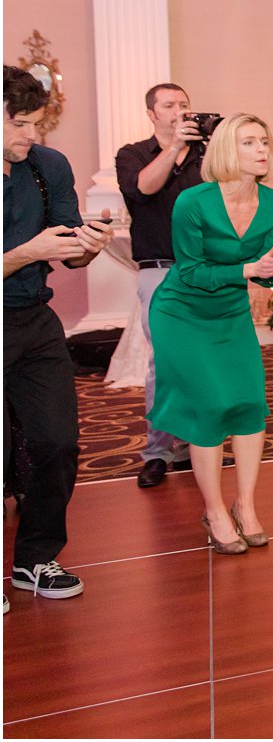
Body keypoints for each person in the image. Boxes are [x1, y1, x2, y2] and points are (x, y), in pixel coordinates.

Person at [147, 114, 273, 553]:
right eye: (249, 142)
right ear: (229, 149)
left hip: (229, 314)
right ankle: (213, 510)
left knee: (248, 404)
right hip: (182, 314)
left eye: (264, 141)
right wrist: (247, 269)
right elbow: (189, 271)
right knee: (207, 407)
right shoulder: (193, 201)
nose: (262, 149)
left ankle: (245, 505)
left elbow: (261, 272)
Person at [4, 65, 113, 601]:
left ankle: (36, 558)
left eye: (35, 124)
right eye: (20, 123)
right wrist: (28, 252)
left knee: (57, 441)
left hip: (34, 321)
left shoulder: (48, 167)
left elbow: (72, 252)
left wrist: (91, 243)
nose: (31, 135)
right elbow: (37, 250)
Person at [115, 82, 205, 487]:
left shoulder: (205, 155)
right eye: (169, 105)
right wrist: (173, 148)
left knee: (201, 360)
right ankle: (157, 450)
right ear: (152, 114)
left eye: (184, 104)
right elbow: (145, 188)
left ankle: (193, 444)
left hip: (204, 271)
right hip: (160, 270)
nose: (179, 111)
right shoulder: (133, 154)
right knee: (166, 362)